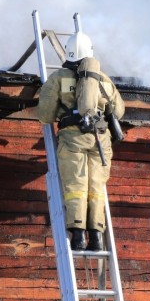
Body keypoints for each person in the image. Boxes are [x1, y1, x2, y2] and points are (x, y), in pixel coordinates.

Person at [36, 29, 125, 252]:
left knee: (76, 186)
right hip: (100, 141)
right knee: (96, 186)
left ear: (69, 53)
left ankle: (78, 236)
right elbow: (119, 110)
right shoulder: (103, 80)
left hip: (72, 138)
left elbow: (44, 115)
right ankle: (96, 236)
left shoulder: (58, 78)